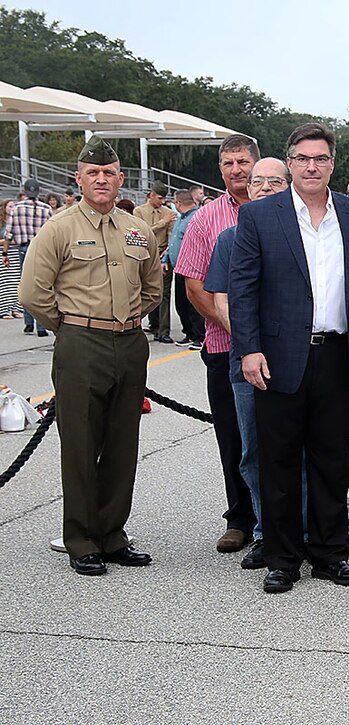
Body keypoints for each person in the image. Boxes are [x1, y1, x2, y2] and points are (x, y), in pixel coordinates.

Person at [229, 122, 349, 594]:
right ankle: (283, 557)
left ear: (333, 164)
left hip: (336, 353)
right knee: (279, 461)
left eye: (322, 159)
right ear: (289, 163)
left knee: (333, 459)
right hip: (277, 357)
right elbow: (243, 289)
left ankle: (330, 553)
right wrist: (248, 349)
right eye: (303, 159)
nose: (312, 167)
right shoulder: (259, 216)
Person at [19, 136, 161, 576]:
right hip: (81, 343)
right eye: (93, 173)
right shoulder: (59, 227)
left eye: (109, 173)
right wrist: (72, 328)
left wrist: (131, 320)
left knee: (122, 442)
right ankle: (80, 538)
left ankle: (113, 534)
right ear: (78, 179)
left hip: (130, 342)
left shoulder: (135, 228)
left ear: (121, 179)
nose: (102, 180)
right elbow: (32, 293)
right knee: (80, 443)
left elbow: (153, 286)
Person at [203, 158, 292, 571]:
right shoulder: (229, 238)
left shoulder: (302, 236)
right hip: (248, 360)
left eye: (275, 181)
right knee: (253, 451)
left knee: (299, 449)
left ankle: (302, 530)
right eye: (258, 182)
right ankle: (264, 532)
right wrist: (251, 344)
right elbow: (221, 299)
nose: (265, 188)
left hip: (296, 358)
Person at [175, 134, 259, 554]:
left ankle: (286, 517)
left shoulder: (286, 209)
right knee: (233, 434)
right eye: (227, 164)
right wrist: (240, 328)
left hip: (282, 346)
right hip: (224, 344)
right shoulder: (205, 219)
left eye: (242, 162)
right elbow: (193, 284)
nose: (236, 170)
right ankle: (240, 518)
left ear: (257, 164)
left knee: (283, 433)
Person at [7, 179, 53, 336]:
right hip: (41, 248)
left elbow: (9, 232)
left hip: (23, 247)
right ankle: (41, 326)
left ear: (25, 191)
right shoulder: (46, 208)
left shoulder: (16, 208)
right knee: (40, 286)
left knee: (25, 285)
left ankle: (28, 322)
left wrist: (5, 253)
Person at [135, 181, 178, 344]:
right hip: (144, 255)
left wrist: (165, 257)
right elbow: (141, 233)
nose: (162, 201)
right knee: (144, 291)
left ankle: (163, 330)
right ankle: (151, 324)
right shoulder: (138, 212)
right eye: (159, 198)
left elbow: (171, 237)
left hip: (161, 255)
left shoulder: (167, 212)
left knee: (164, 293)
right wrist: (162, 222)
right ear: (151, 195)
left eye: (164, 198)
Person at [163, 190, 204, 349]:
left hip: (192, 269)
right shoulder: (181, 219)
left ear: (178, 203)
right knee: (181, 304)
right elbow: (173, 243)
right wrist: (166, 259)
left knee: (194, 303)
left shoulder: (196, 218)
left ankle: (199, 335)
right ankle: (189, 333)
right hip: (179, 268)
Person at [0, 199, 19, 318]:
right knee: (5, 282)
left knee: (16, 281)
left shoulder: (16, 221)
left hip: (15, 252)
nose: (11, 208)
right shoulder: (1, 223)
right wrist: (6, 241)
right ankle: (4, 309)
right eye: (9, 206)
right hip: (3, 252)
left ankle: (16, 308)